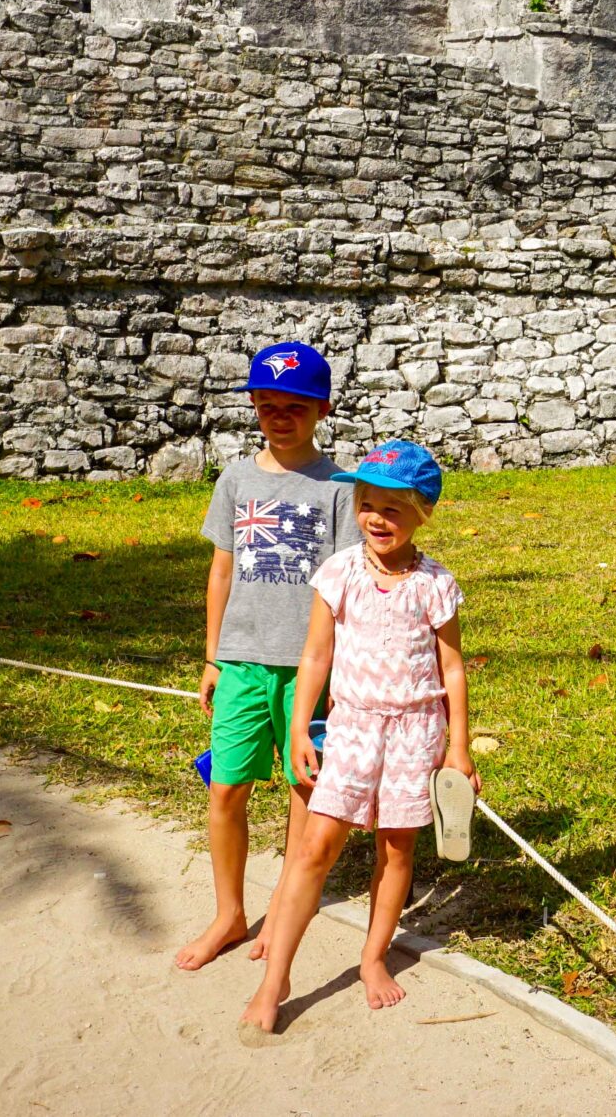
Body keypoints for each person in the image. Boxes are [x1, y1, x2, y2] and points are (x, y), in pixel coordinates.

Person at [239, 440, 477, 1040]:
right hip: (350, 726)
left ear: (422, 511)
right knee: (316, 846)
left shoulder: (436, 584)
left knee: (397, 849)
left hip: (415, 733)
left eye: (392, 508)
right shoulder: (339, 571)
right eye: (367, 503)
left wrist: (459, 747)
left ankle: (374, 956)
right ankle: (275, 981)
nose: (376, 518)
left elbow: (452, 670)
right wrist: (299, 726)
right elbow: (316, 653)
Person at [175, 341, 360, 972]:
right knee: (225, 788)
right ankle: (228, 914)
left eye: (295, 407)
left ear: (322, 410)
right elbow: (221, 571)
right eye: (267, 405)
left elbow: (347, 586)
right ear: (254, 406)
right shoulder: (235, 479)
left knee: (302, 790)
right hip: (242, 662)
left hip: (310, 668)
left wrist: (341, 672)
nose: (280, 417)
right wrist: (212, 656)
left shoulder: (340, 488)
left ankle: (285, 906)